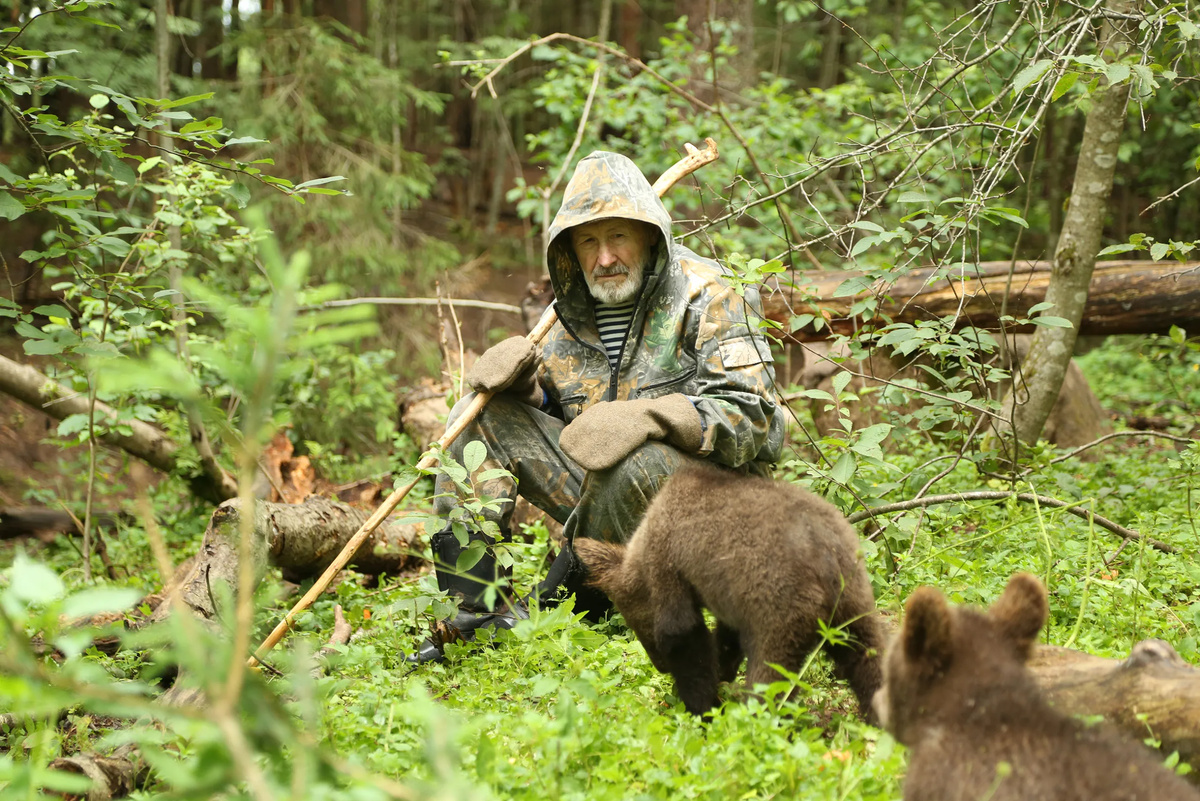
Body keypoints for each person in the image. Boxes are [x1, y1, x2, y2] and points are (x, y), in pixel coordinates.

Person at [410, 150, 784, 663]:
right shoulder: (565, 319)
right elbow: (577, 432)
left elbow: (758, 423)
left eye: (617, 237)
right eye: (588, 241)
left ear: (650, 234)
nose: (604, 258)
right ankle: (477, 619)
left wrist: (654, 417)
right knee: (472, 420)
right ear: (569, 249)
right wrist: (529, 395)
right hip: (606, 505)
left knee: (632, 461)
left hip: (718, 511)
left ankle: (555, 604)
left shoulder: (712, 293)